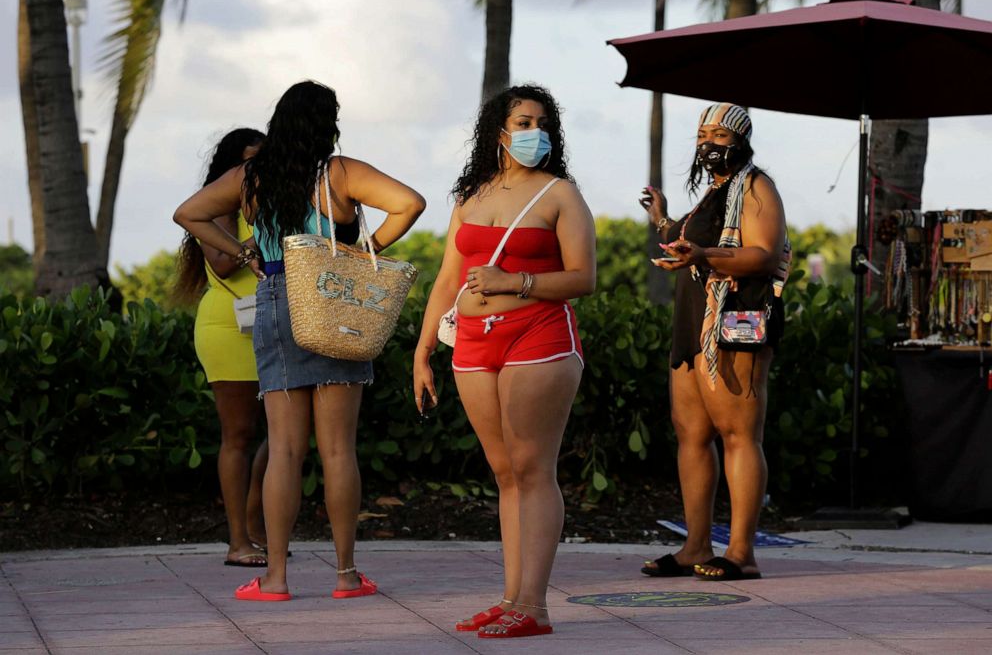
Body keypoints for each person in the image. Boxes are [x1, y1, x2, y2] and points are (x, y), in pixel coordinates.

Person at [175, 80, 425, 601]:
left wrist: (241, 253)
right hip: (334, 299)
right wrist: (365, 251)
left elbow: (189, 214)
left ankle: (276, 578)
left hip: (276, 295)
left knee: (284, 449)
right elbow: (410, 203)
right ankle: (346, 576)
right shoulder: (339, 172)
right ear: (327, 124)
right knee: (338, 450)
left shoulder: (251, 176)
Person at [413, 84, 596, 638]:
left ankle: (534, 607)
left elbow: (583, 278)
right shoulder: (471, 196)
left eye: (541, 122)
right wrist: (422, 349)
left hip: (537, 334)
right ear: (499, 131)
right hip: (471, 340)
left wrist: (514, 281)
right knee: (504, 472)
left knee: (533, 467)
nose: (532, 131)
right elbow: (448, 278)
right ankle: (512, 596)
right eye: (522, 122)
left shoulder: (562, 195)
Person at [639, 103, 790, 582]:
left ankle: (741, 552)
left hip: (733, 322)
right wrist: (664, 222)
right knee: (692, 435)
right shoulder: (715, 193)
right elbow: (690, 242)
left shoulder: (756, 186)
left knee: (739, 434)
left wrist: (703, 253)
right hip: (693, 323)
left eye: (721, 133)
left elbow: (764, 255)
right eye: (703, 133)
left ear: (742, 140)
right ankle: (695, 546)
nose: (710, 142)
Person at [173, 128, 270, 568]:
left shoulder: (266, 202)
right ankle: (239, 540)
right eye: (250, 161)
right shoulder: (220, 208)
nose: (258, 169)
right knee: (239, 434)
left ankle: (255, 516)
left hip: (271, 320)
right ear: (231, 166)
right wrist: (264, 232)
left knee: (287, 430)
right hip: (229, 326)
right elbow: (224, 264)